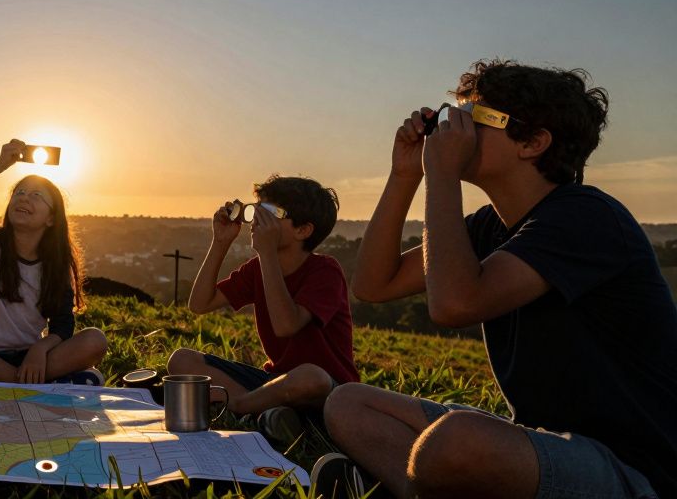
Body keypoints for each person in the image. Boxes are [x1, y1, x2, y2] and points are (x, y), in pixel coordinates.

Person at [316, 60, 677, 499]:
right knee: (349, 403)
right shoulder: (491, 225)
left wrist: (442, 174)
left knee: (457, 440)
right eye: (457, 113)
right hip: (539, 442)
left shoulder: (587, 217)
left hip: (633, 471)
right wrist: (405, 174)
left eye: (475, 116)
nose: (455, 127)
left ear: (533, 142)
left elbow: (454, 305)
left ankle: (406, 484)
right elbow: (375, 285)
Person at [168, 175, 356, 448]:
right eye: (255, 210)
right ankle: (272, 415)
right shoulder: (256, 269)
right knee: (182, 360)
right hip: (274, 383)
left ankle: (241, 407)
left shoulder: (325, 271)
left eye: (268, 213)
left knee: (309, 377)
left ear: (303, 230)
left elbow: (286, 325)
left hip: (329, 392)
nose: (256, 220)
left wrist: (267, 253)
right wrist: (220, 243)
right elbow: (200, 304)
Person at [0, 140, 107, 384]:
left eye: (36, 196)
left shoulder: (56, 265)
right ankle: (29, 382)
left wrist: (39, 349)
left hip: (31, 359)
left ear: (51, 219)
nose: (24, 198)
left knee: (95, 340)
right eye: (19, 193)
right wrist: (0, 166)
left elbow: (62, 325)